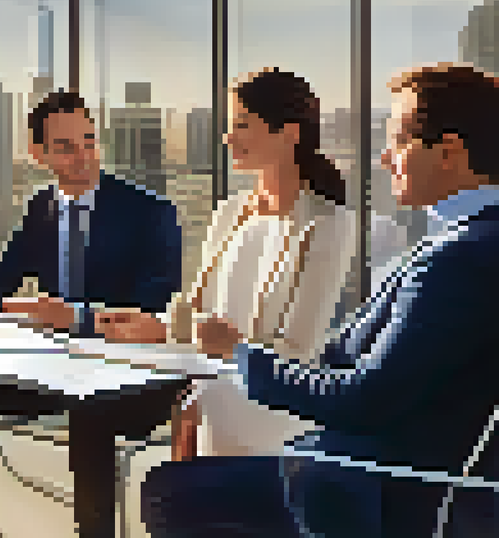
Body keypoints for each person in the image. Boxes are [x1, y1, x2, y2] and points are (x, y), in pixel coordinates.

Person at [142, 63, 499, 538]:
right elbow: (356, 362)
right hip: (376, 473)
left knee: (169, 492)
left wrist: (239, 355)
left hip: (380, 492)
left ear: (449, 152)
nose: (385, 158)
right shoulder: (463, 243)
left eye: (398, 142)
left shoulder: (458, 257)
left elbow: (362, 398)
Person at [0, 89, 185, 538]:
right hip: (56, 371)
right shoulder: (42, 208)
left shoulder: (150, 213)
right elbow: (1, 282)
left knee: (88, 413)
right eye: (66, 146)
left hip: (128, 376)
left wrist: (76, 318)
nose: (83, 156)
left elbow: (155, 310)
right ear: (39, 154)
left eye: (89, 141)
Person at [164, 69, 358, 461]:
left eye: (242, 124)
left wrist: (228, 346)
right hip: (213, 415)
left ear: (289, 133)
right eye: (229, 125)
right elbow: (198, 320)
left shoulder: (329, 223)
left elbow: (299, 350)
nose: (228, 137)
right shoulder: (228, 213)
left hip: (276, 427)